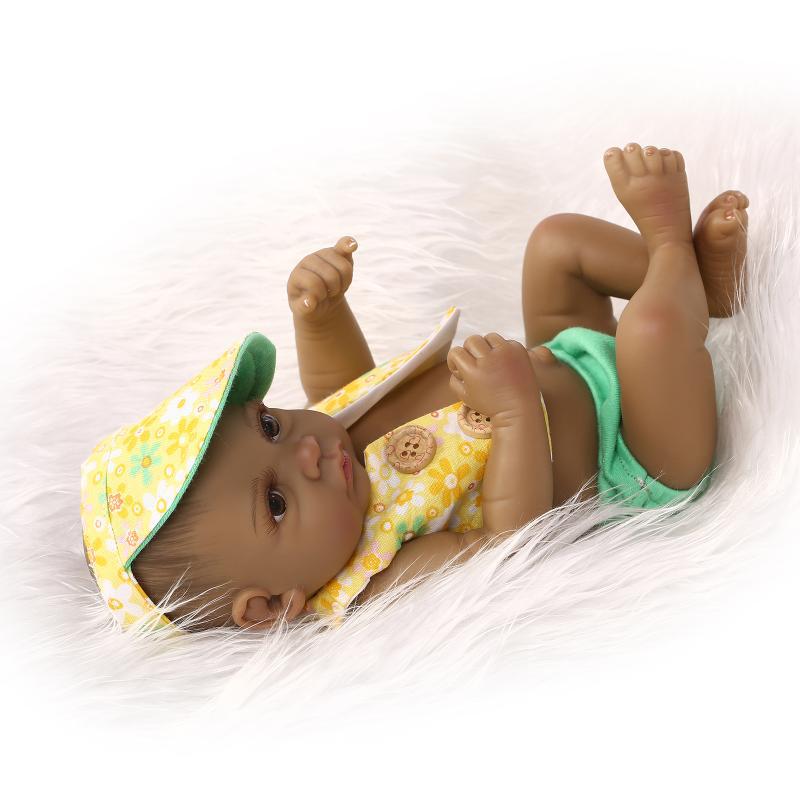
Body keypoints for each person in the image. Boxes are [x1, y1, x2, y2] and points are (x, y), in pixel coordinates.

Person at [81, 143, 748, 634]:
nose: (305, 451)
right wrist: (514, 412)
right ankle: (670, 246)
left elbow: (346, 387)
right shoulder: (381, 575)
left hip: (567, 355)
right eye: (276, 502)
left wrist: (322, 316)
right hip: (635, 453)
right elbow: (510, 546)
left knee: (554, 244)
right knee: (651, 331)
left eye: (269, 427)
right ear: (272, 606)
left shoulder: (328, 453)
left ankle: (700, 286)